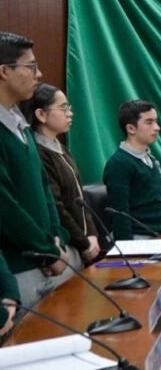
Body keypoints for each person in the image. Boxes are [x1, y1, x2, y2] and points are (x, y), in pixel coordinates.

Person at [0, 31, 74, 310]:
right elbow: (6, 208)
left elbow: (44, 189)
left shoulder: (21, 124)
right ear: (4, 71)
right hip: (18, 268)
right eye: (30, 67)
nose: (39, 74)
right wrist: (46, 250)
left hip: (50, 257)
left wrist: (56, 239)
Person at [23, 83, 100, 263]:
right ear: (41, 115)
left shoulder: (61, 149)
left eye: (69, 107)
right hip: (66, 246)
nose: (70, 113)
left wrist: (92, 235)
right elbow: (57, 207)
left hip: (83, 244)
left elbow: (80, 200)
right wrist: (83, 242)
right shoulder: (39, 153)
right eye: (63, 108)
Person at [102, 100, 161, 240]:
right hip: (138, 239)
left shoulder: (150, 158)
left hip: (160, 234)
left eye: (156, 122)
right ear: (131, 129)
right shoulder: (119, 163)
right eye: (149, 122)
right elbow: (120, 212)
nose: (157, 128)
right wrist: (127, 247)